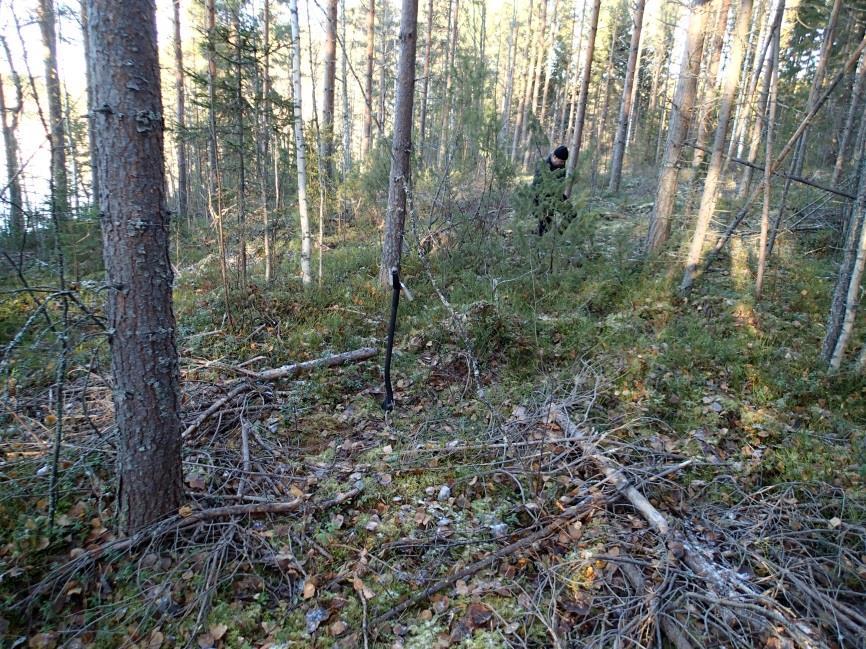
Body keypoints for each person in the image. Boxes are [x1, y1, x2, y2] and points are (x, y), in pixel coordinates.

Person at [532, 145, 569, 235]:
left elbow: (561, 183)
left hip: (556, 195)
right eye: (561, 161)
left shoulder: (562, 165)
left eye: (564, 162)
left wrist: (561, 198)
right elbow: (537, 187)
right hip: (541, 197)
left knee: (571, 213)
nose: (562, 164)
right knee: (545, 224)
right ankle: (540, 238)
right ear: (554, 157)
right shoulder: (543, 165)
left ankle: (558, 236)